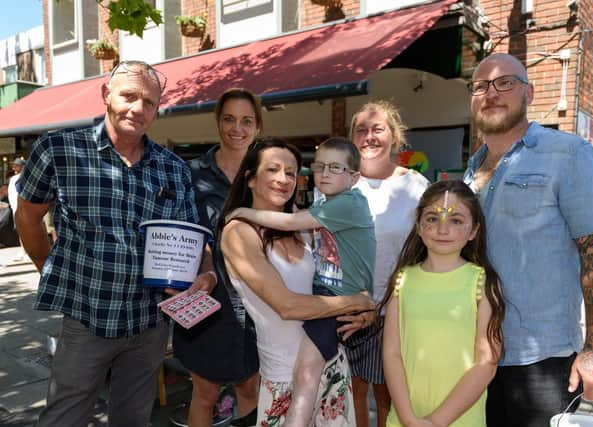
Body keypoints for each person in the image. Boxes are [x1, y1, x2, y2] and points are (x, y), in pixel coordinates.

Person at [14, 60, 206, 427]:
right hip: (88, 318)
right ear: (106, 95)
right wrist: (51, 270)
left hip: (150, 323)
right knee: (64, 418)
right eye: (129, 96)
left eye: (149, 102)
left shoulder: (173, 168)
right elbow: (27, 218)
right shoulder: (59, 149)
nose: (138, 108)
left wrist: (205, 275)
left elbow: (191, 236)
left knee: (133, 419)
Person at [464, 53, 593, 426]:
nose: (492, 93)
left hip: (541, 362)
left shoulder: (568, 154)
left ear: (529, 93)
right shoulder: (473, 168)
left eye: (505, 83)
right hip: (477, 356)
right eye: (480, 86)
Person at [221, 138, 375, 426]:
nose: (283, 179)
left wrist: (365, 312)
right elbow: (288, 306)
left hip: (331, 362)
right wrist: (358, 301)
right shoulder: (239, 231)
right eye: (273, 170)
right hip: (285, 377)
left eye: (291, 172)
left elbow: (338, 278)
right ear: (250, 178)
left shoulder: (302, 227)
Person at [171, 87, 263, 427]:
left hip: (257, 300)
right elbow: (183, 236)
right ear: (217, 122)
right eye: (229, 119)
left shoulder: (265, 176)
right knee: (205, 392)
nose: (237, 128)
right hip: (206, 298)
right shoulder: (191, 174)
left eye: (246, 121)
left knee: (251, 386)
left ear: (257, 128)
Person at [380, 180, 504, 427]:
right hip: (405, 418)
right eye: (432, 219)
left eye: (456, 220)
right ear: (418, 226)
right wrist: (408, 418)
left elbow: (487, 362)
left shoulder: (482, 282)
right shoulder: (403, 280)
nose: (442, 229)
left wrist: (436, 422)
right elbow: (391, 354)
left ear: (473, 231)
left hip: (459, 420)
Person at [347, 100, 429, 427]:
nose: (369, 137)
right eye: (361, 130)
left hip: (395, 310)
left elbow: (424, 254)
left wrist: (383, 301)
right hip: (347, 307)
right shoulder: (338, 184)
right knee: (351, 390)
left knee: (387, 395)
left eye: (377, 129)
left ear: (394, 137)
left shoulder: (416, 187)